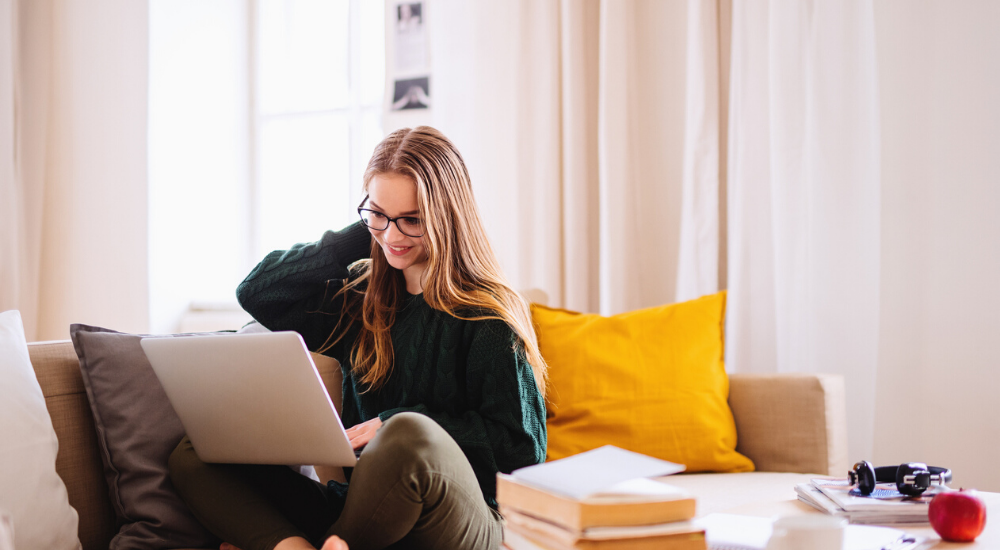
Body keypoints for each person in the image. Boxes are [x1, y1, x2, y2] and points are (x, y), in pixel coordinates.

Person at [168, 126, 548, 550]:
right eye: (379, 215)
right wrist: (361, 232)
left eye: (412, 220)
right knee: (198, 450)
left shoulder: (488, 314)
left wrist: (393, 424)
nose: (393, 236)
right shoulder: (360, 300)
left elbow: (523, 451)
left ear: (447, 216)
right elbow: (259, 292)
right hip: (364, 513)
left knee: (407, 435)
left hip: (459, 519)